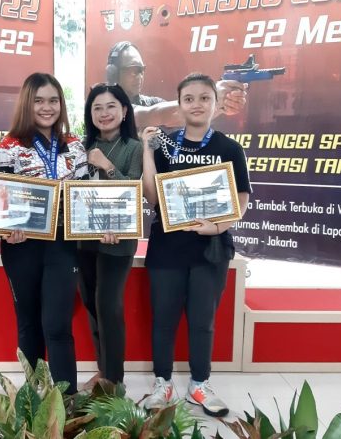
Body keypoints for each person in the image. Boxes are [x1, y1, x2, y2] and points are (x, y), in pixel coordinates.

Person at [140, 73, 252, 417]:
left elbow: (242, 199)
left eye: (205, 98)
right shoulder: (165, 145)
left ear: (216, 104)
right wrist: (146, 152)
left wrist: (217, 226)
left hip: (210, 250)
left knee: (203, 321)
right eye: (189, 98)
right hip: (167, 248)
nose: (197, 104)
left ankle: (199, 385)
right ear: (179, 105)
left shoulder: (229, 149)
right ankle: (163, 383)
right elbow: (152, 197)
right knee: (164, 319)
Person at [0, 72, 88, 394]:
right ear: (26, 104)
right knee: (29, 322)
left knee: (57, 325)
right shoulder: (8, 146)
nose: (47, 107)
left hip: (62, 245)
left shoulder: (74, 146)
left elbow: (84, 197)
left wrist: (102, 225)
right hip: (22, 246)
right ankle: (35, 398)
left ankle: (67, 401)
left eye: (53, 100)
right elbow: (0, 199)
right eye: (39, 101)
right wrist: (6, 229)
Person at [77, 83, 142, 387]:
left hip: (119, 238)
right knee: (91, 303)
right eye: (97, 108)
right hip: (84, 236)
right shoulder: (81, 146)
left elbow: (134, 189)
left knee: (108, 305)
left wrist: (106, 166)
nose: (104, 113)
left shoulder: (134, 147)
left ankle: (114, 379)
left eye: (111, 106)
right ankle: (103, 370)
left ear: (124, 110)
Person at [104, 41, 247, 129]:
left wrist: (222, 105)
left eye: (141, 70)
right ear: (113, 73)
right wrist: (212, 96)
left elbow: (181, 116)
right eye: (133, 70)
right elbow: (154, 115)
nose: (139, 76)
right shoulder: (106, 107)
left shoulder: (149, 102)